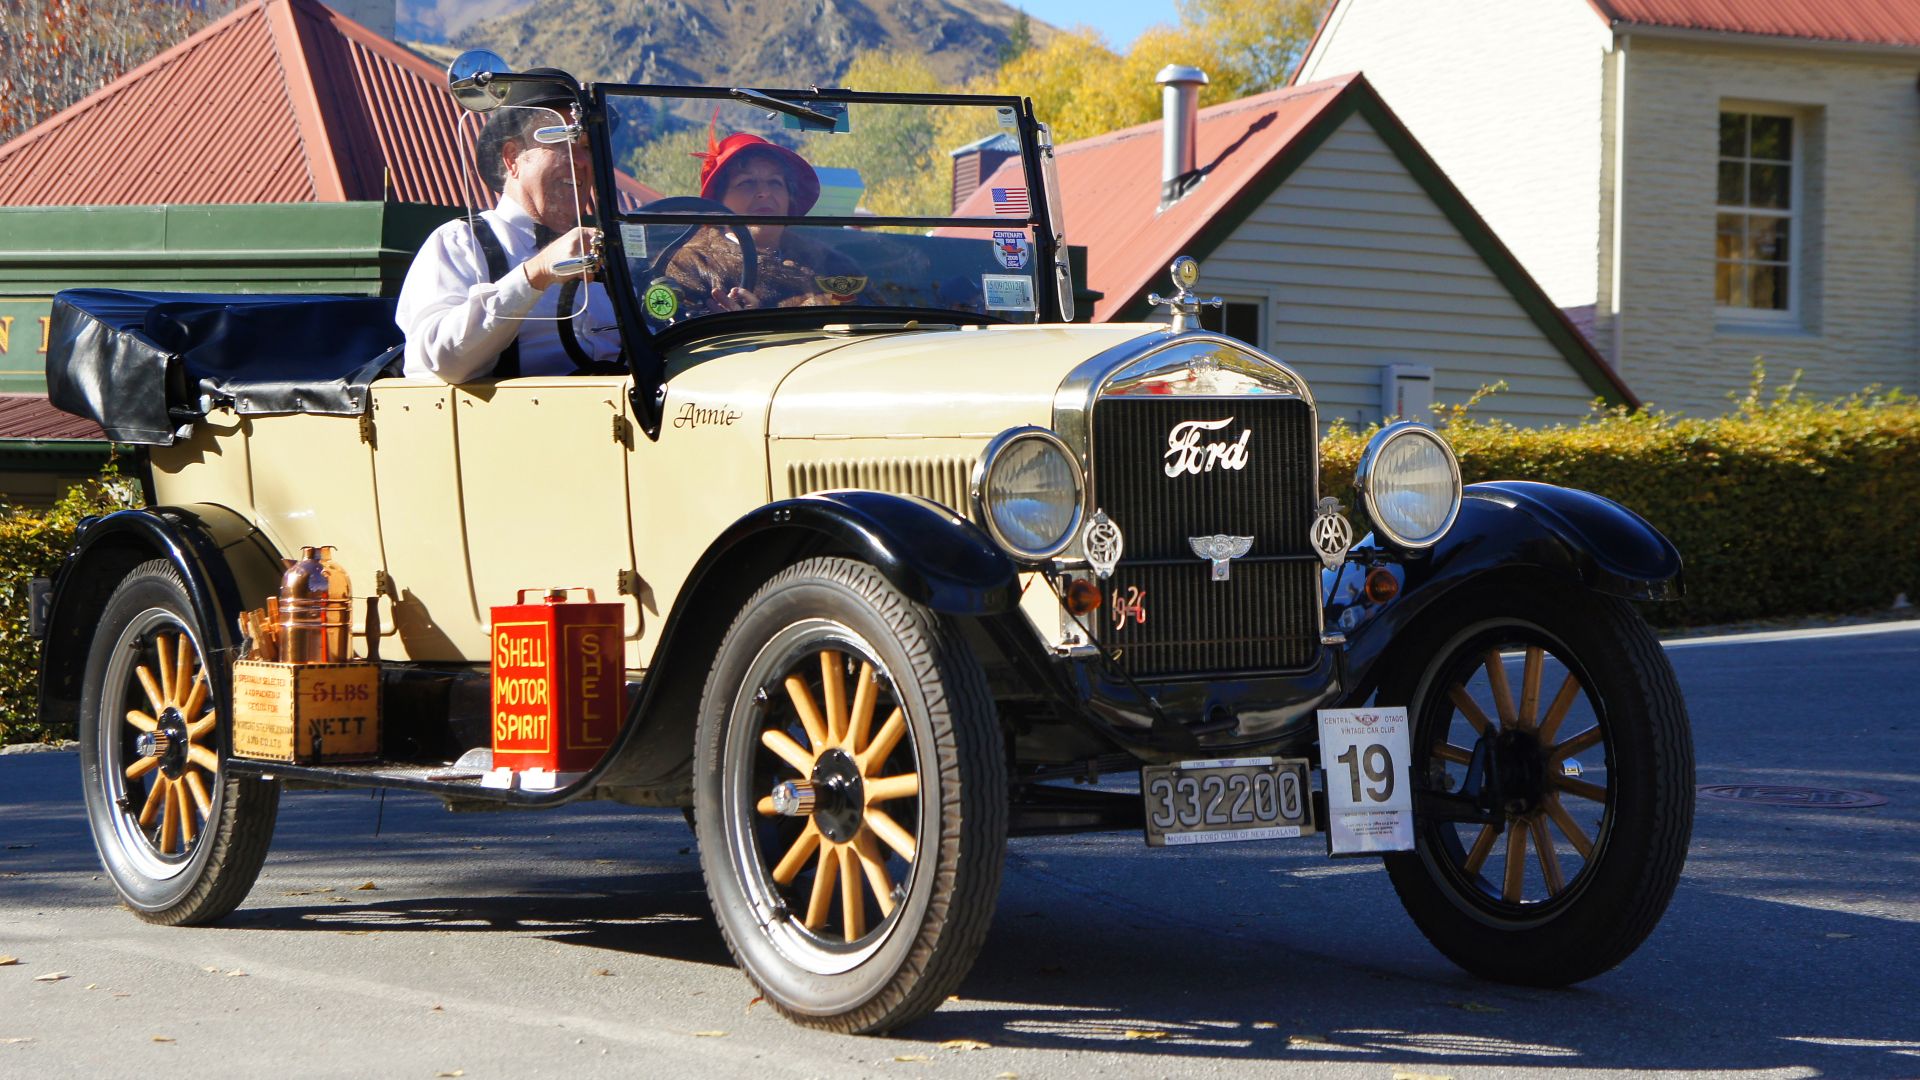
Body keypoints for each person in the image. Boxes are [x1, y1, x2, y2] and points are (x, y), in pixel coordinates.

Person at [396, 72, 621, 380]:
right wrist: (535, 274)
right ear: (513, 158)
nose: (582, 160)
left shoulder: (614, 247)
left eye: (589, 147)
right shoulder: (461, 242)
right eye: (563, 141)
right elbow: (441, 361)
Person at [661, 128, 855, 313]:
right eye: (747, 183)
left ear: (790, 198)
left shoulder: (833, 264)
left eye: (775, 182)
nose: (764, 193)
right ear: (718, 204)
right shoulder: (688, 267)